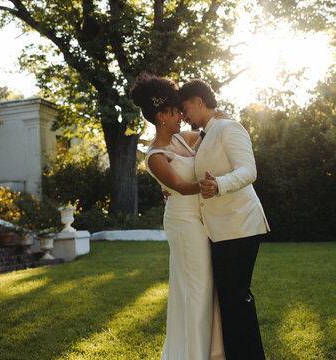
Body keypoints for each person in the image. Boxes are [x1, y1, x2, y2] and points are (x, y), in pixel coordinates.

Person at [130, 74, 225, 360]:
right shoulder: (155, 155)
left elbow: (211, 134)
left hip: (201, 219)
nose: (181, 117)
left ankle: (212, 351)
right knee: (198, 287)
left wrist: (218, 117)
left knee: (205, 285)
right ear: (160, 116)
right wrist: (214, 185)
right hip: (183, 224)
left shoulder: (183, 141)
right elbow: (181, 186)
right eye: (174, 112)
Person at [179, 79, 270, 360]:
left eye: (185, 108)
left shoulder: (229, 128)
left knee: (237, 299)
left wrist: (219, 184)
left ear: (198, 101)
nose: (184, 115)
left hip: (240, 225)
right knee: (228, 302)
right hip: (220, 230)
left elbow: (249, 170)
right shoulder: (207, 132)